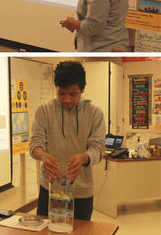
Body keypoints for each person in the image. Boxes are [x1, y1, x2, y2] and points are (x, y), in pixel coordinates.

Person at [30, 61, 105, 221]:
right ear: (56, 88)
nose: (67, 99)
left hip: (81, 191)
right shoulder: (44, 110)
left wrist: (83, 158)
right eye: (61, 93)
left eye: (73, 94)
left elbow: (98, 149)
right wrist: (42, 155)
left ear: (83, 89)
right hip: (49, 188)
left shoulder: (95, 112)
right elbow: (35, 144)